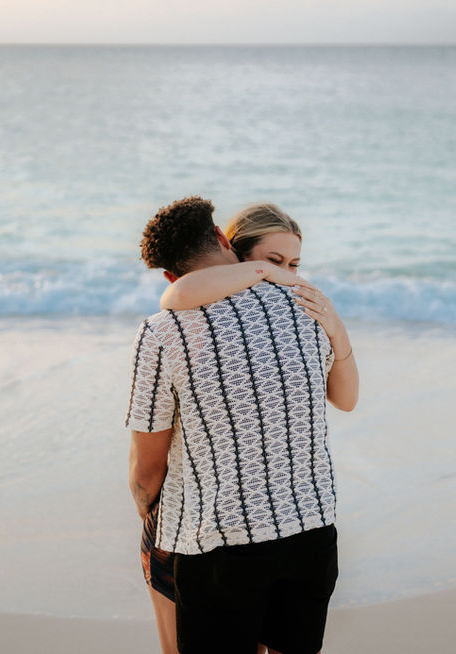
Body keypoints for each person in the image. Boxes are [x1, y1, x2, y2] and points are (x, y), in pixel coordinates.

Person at [126, 197, 358, 654]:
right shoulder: (307, 308)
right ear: (222, 240)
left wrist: (147, 510)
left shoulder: (163, 329)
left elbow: (147, 470)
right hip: (312, 534)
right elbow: (343, 398)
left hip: (219, 546)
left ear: (172, 274)